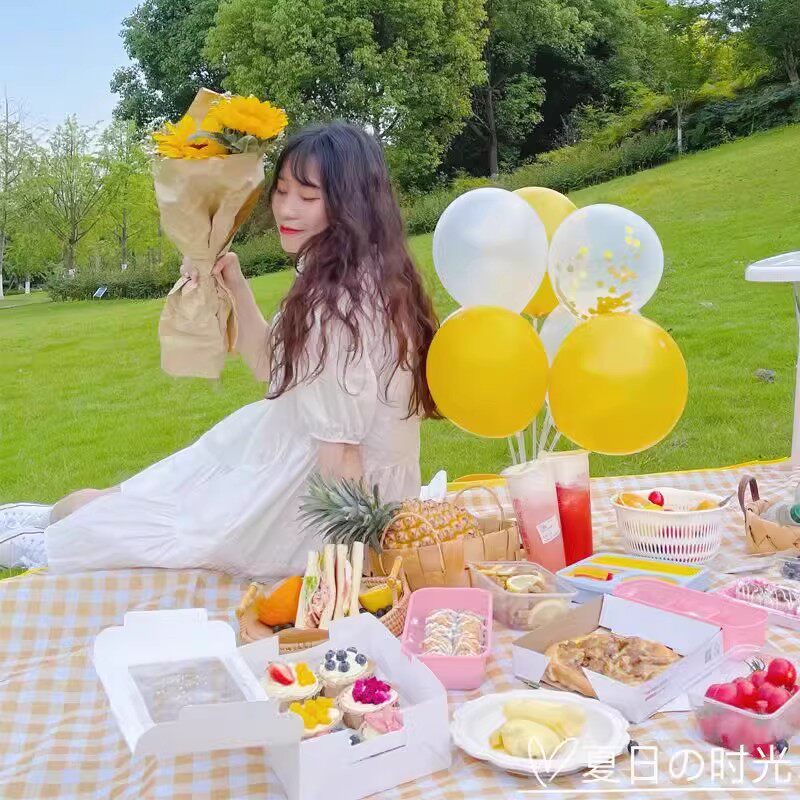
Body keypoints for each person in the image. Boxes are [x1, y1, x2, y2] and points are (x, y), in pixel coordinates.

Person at [0, 121, 439, 579]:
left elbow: (342, 455)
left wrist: (357, 569)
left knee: (140, 523)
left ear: (352, 204)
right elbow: (274, 368)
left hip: (320, 497)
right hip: (295, 461)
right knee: (144, 503)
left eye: (308, 197)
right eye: (282, 191)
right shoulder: (372, 274)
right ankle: (42, 519)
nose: (287, 209)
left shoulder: (336, 304)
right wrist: (234, 283)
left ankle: (39, 534)